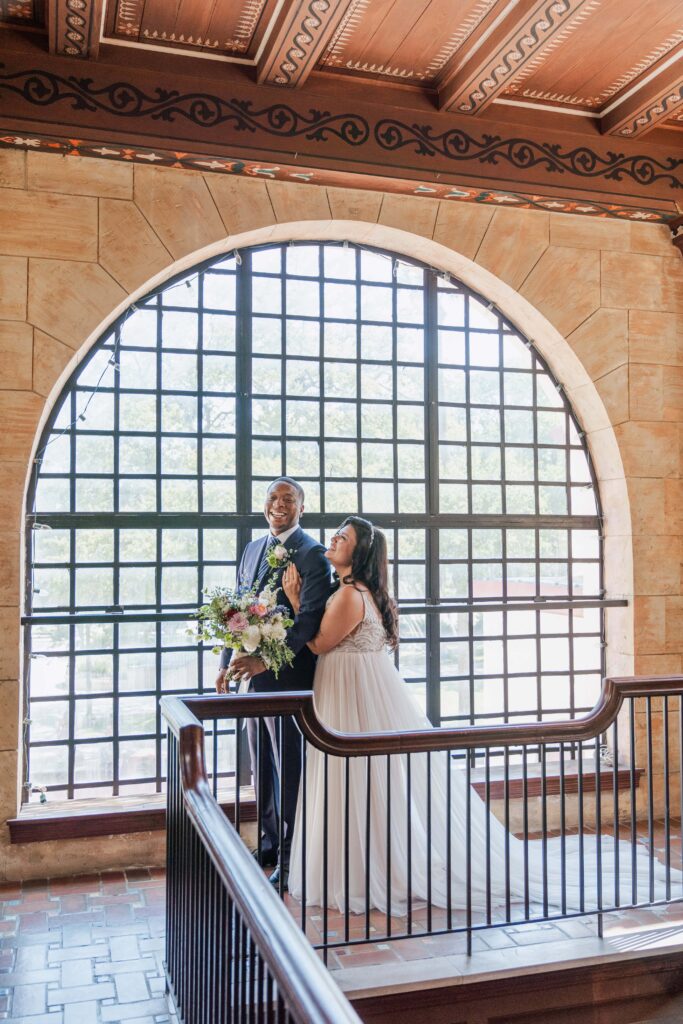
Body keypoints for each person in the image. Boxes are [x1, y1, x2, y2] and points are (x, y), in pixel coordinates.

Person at [282, 515, 680, 917]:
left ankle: (369, 871)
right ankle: (373, 865)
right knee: (367, 782)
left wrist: (298, 602)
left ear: (360, 551)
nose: (332, 540)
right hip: (357, 689)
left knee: (357, 778)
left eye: (342, 537)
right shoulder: (356, 591)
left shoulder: (351, 595)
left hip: (352, 694)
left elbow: (317, 644)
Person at [215, 477, 332, 888]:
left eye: (287, 499)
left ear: (302, 507)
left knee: (289, 769)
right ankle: (266, 843)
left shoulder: (313, 555)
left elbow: (308, 625)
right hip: (251, 680)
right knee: (260, 764)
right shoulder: (251, 549)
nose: (278, 505)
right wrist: (227, 661)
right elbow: (237, 612)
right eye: (272, 498)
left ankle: (291, 855)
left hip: (288, 683)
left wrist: (264, 663)